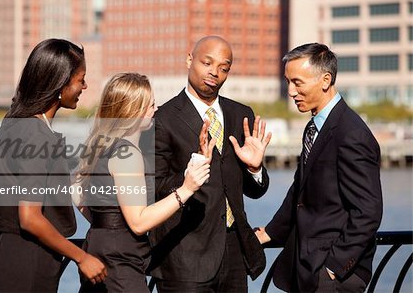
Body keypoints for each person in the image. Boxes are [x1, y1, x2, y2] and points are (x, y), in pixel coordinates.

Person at [0, 38, 107, 292]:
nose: (85, 86)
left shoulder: (16, 119)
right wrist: (82, 258)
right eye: (81, 79)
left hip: (5, 250)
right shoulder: (36, 134)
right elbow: (30, 218)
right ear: (61, 82)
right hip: (26, 260)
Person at [255, 43, 383, 293]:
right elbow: (300, 189)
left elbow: (368, 211)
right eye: (288, 82)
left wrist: (333, 267)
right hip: (307, 266)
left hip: (334, 277)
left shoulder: (351, 133)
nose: (291, 91)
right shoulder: (315, 126)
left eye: (297, 82)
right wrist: (270, 232)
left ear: (325, 80)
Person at [148, 35, 272, 292]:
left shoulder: (242, 115)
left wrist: (255, 169)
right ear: (189, 60)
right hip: (184, 255)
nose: (214, 73)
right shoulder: (162, 118)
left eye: (223, 68)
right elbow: (154, 186)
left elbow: (255, 191)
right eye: (207, 63)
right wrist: (189, 176)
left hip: (235, 254)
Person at [75, 73, 212, 292]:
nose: (155, 110)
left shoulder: (99, 147)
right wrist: (186, 190)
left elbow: (77, 192)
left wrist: (105, 222)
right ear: (133, 111)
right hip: (121, 259)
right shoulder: (127, 153)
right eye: (150, 105)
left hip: (97, 248)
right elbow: (139, 223)